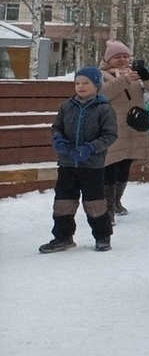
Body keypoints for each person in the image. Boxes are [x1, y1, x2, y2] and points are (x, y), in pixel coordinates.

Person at [41, 68, 119, 253]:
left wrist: (91, 147)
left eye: (86, 83)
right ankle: (63, 236)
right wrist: (58, 139)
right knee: (63, 202)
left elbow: (110, 135)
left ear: (97, 85)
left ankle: (102, 236)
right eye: (77, 83)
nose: (81, 87)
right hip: (67, 164)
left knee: (95, 203)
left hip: (92, 166)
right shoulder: (66, 106)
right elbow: (56, 127)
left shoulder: (104, 108)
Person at [99, 39, 149, 220]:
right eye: (117, 56)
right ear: (108, 58)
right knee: (110, 166)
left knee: (124, 165)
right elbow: (103, 93)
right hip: (113, 127)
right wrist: (124, 79)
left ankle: (118, 201)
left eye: (125, 56)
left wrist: (146, 76)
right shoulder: (101, 75)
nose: (122, 60)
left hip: (134, 127)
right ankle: (108, 207)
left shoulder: (136, 75)